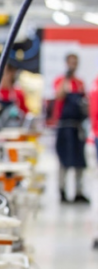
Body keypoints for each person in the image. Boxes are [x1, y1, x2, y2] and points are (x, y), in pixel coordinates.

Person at [52, 53, 88, 203]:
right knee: (64, 160)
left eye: (75, 62)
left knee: (80, 161)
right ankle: (62, 190)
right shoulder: (60, 81)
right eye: (71, 62)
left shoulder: (80, 83)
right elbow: (59, 96)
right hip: (64, 127)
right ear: (66, 63)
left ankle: (79, 191)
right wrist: (66, 80)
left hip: (77, 126)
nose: (73, 65)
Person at [0, 61, 29, 129]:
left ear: (11, 73)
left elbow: (25, 114)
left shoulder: (18, 92)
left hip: (12, 130)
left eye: (1, 73)